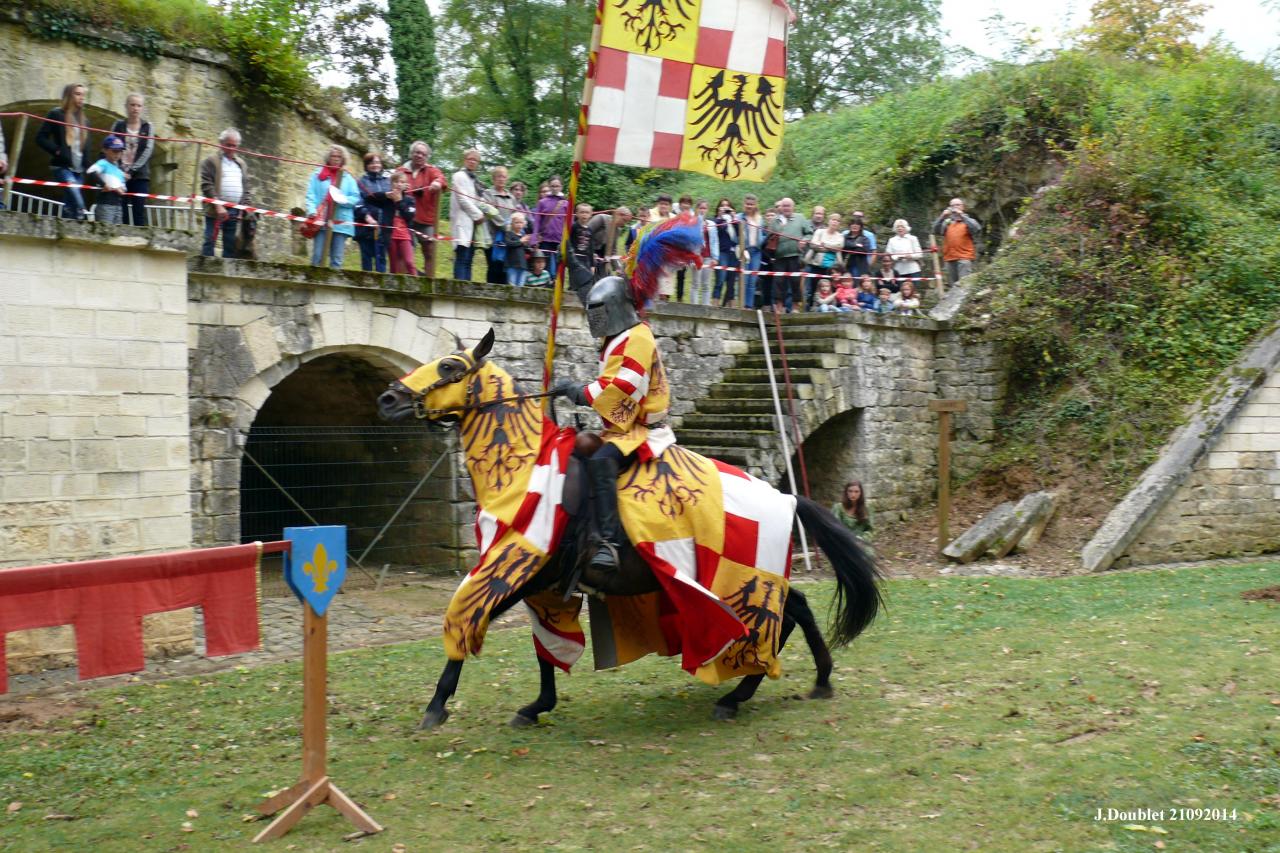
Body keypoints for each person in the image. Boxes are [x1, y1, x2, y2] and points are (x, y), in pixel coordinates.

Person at [549, 275, 674, 573]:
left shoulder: (639, 337)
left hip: (642, 430)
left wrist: (577, 392)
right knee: (576, 448)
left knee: (602, 459)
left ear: (615, 309)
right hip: (622, 428)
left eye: (598, 310)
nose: (594, 318)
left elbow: (621, 387)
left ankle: (609, 542)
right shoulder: (618, 336)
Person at [35, 82, 90, 221]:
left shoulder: (85, 121)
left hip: (78, 169)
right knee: (76, 196)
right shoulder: (56, 114)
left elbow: (86, 149)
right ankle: (86, 215)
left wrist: (91, 168)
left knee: (70, 205)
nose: (81, 98)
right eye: (77, 94)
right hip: (62, 166)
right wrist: (57, 151)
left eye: (83, 95)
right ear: (68, 96)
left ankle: (65, 230)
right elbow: (40, 138)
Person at [305, 145, 359, 270]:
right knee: (317, 256)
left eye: (339, 156)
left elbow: (355, 198)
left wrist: (342, 200)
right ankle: (314, 285)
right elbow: (310, 195)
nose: (336, 159)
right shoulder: (317, 175)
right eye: (333, 156)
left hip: (340, 222)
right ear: (328, 158)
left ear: (343, 159)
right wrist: (312, 211)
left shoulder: (349, 178)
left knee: (336, 260)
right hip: (321, 220)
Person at [199, 127, 249, 258]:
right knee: (210, 240)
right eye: (229, 145)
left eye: (235, 146)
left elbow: (246, 188)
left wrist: (243, 209)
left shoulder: (241, 164)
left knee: (230, 244)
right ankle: (205, 270)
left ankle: (227, 273)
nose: (232, 149)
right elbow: (206, 185)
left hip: (234, 210)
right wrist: (218, 206)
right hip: (214, 210)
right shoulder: (211, 161)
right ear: (221, 144)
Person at [108, 93, 154, 227]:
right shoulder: (118, 125)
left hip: (140, 175)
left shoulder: (148, 127)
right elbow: (110, 146)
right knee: (121, 210)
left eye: (139, 105)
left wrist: (132, 171)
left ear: (142, 108)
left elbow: (147, 151)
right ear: (126, 107)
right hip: (119, 173)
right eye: (132, 105)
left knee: (138, 212)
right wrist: (120, 170)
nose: (135, 108)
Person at [404, 141, 446, 277]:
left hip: (426, 218)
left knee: (429, 251)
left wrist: (437, 182)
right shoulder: (402, 170)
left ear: (427, 156)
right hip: (406, 218)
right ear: (411, 153)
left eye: (423, 154)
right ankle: (411, 276)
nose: (420, 155)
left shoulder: (432, 170)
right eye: (417, 152)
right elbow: (393, 183)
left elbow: (442, 179)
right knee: (406, 251)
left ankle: (428, 280)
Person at [448, 149, 487, 282]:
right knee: (462, 256)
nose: (472, 162)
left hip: (472, 224)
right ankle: (459, 286)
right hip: (462, 222)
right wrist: (478, 215)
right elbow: (463, 199)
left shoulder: (474, 179)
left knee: (469, 258)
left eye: (475, 160)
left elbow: (477, 199)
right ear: (465, 160)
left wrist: (484, 206)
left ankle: (467, 288)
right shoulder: (459, 176)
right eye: (470, 159)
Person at [769, 197, 813, 312]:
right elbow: (769, 237)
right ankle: (779, 306)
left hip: (795, 255)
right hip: (779, 256)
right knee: (778, 281)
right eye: (784, 206)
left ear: (793, 207)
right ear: (780, 207)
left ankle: (795, 306)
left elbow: (809, 233)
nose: (786, 208)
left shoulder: (800, 218)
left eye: (788, 206)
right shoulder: (775, 220)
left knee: (795, 281)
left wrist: (804, 240)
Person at [355, 152, 393, 272]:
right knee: (367, 260)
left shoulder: (388, 182)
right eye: (371, 163)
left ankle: (381, 289)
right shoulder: (361, 182)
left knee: (381, 259)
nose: (375, 165)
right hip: (366, 227)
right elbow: (358, 203)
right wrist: (368, 217)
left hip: (384, 227)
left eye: (377, 162)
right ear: (366, 165)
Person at [932, 197, 982, 285]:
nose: (955, 207)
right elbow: (935, 230)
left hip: (964, 258)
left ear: (962, 207)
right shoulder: (947, 222)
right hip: (950, 258)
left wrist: (961, 215)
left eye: (957, 205)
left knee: (964, 285)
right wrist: (942, 217)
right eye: (952, 206)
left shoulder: (967, 220)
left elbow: (976, 228)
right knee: (953, 286)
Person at [484, 166, 516, 284]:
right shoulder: (488, 194)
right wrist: (505, 225)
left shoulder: (511, 197)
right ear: (493, 178)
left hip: (507, 238)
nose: (501, 179)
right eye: (498, 176)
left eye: (504, 177)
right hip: (492, 237)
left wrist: (511, 228)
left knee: (505, 268)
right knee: (493, 267)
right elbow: (491, 212)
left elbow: (514, 214)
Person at [85, 135, 128, 224]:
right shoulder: (103, 163)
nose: (117, 154)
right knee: (105, 230)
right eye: (114, 151)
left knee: (117, 231)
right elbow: (91, 171)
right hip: (105, 203)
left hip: (118, 205)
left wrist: (121, 189)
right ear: (105, 150)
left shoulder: (120, 169)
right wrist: (103, 184)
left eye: (120, 151)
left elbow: (123, 187)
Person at [532, 174, 568, 279]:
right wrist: (534, 240)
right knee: (544, 267)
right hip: (545, 240)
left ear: (561, 187)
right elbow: (537, 222)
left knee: (558, 268)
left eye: (557, 186)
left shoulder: (566, 204)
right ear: (549, 186)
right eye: (553, 186)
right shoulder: (542, 202)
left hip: (559, 241)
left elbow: (568, 224)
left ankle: (556, 289)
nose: (555, 188)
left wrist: (567, 241)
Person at [806, 212, 844, 308]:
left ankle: (829, 308)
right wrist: (832, 247)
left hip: (832, 268)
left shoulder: (840, 236)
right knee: (814, 288)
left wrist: (824, 244)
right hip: (817, 265)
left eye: (837, 221)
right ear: (828, 221)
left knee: (830, 289)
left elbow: (839, 247)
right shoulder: (819, 231)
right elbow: (813, 244)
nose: (835, 222)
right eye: (833, 220)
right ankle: (811, 308)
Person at [585, 206, 632, 281]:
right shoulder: (601, 219)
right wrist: (591, 253)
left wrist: (617, 268)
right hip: (589, 251)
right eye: (624, 220)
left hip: (602, 256)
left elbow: (613, 249)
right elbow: (585, 233)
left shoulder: (618, 230)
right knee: (588, 277)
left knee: (603, 279)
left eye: (626, 222)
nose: (624, 224)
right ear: (618, 214)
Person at [387, 169, 418, 276]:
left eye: (402, 182)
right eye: (396, 182)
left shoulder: (410, 200)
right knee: (394, 266)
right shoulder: (386, 199)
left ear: (406, 185)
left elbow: (410, 216)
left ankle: (417, 286)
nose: (399, 184)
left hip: (405, 235)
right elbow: (371, 198)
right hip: (391, 235)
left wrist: (399, 201)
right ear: (391, 184)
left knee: (409, 262)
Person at [737, 194, 765, 308]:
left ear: (755, 205)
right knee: (744, 279)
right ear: (744, 204)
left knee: (753, 280)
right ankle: (742, 304)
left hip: (756, 251)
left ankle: (749, 305)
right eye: (747, 204)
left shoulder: (759, 218)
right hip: (745, 250)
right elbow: (735, 234)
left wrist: (761, 241)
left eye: (752, 204)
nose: (749, 206)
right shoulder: (739, 217)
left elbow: (763, 234)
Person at [690, 200, 720, 306]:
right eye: (700, 208)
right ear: (696, 209)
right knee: (695, 283)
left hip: (708, 257)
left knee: (706, 284)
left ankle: (705, 307)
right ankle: (693, 307)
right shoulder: (691, 223)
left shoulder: (711, 224)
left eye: (704, 208)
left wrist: (715, 258)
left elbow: (715, 241)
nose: (702, 210)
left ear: (707, 210)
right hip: (696, 256)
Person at [711, 198, 738, 305]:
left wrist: (733, 217)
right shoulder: (715, 221)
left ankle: (731, 307)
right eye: (723, 205)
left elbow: (739, 233)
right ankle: (715, 306)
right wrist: (721, 217)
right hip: (722, 252)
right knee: (720, 280)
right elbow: (718, 231)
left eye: (727, 205)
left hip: (733, 253)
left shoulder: (734, 220)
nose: (725, 207)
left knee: (731, 282)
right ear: (718, 208)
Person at [886, 218, 923, 282]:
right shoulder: (892, 240)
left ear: (906, 228)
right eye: (897, 227)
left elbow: (920, 254)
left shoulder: (913, 238)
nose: (900, 228)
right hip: (898, 270)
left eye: (902, 227)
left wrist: (911, 256)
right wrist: (896, 257)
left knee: (913, 290)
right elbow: (888, 254)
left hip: (913, 270)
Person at [504, 211, 532, 286]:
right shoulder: (509, 234)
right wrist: (521, 241)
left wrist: (529, 246)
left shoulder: (523, 235)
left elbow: (526, 250)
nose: (519, 224)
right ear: (512, 223)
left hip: (522, 265)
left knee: (521, 286)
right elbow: (509, 243)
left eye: (521, 222)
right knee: (512, 285)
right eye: (517, 222)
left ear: (524, 224)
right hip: (512, 264)